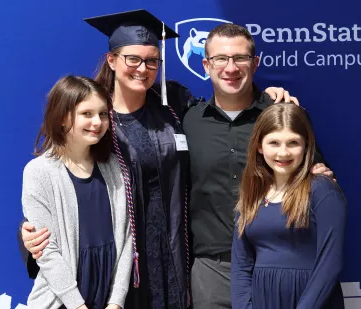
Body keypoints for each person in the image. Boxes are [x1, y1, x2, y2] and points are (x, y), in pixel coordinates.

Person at [18, 9, 294, 309]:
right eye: (132, 59)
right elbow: (67, 175)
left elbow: (225, 118)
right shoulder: (96, 116)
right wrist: (29, 232)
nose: (142, 68)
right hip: (121, 259)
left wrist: (268, 98)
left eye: (152, 61)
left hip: (177, 252)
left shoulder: (174, 104)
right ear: (112, 60)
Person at [181, 23, 335, 309]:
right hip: (213, 271)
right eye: (220, 59)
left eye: (240, 58)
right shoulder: (188, 121)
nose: (231, 67)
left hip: (275, 265)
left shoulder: (282, 115)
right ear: (206, 64)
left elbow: (318, 178)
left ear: (255, 63)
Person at [21, 75, 132, 309]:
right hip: (62, 301)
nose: (97, 122)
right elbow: (46, 251)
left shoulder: (115, 167)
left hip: (107, 299)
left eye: (103, 114)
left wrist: (116, 302)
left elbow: (127, 238)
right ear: (62, 117)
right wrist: (77, 305)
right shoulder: (39, 172)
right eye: (87, 114)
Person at [231, 103, 347, 309]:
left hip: (313, 302)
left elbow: (330, 265)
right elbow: (241, 264)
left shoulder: (323, 191)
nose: (283, 153)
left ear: (306, 145)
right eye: (274, 143)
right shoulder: (251, 194)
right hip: (263, 300)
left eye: (293, 143)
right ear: (259, 146)